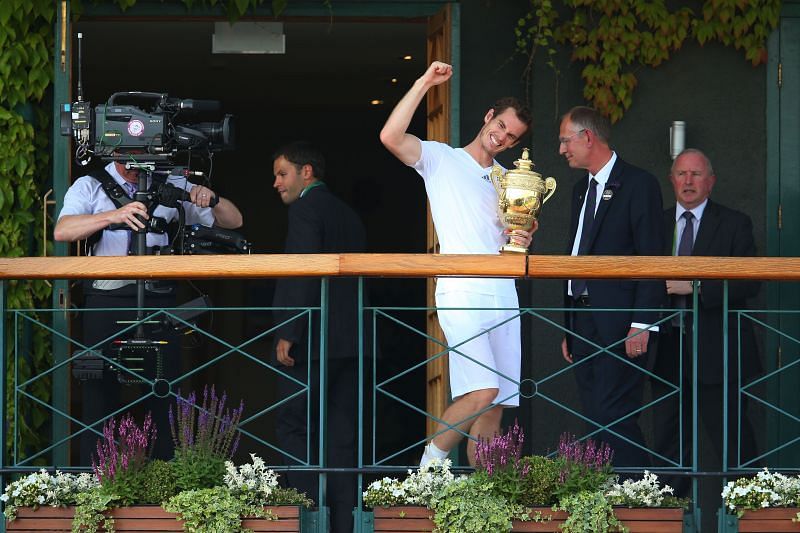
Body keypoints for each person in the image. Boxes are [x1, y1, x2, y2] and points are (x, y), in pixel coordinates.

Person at [380, 61, 536, 468]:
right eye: (500, 126)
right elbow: (390, 136)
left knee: (495, 406)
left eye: (512, 136)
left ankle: (487, 498)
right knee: (481, 391)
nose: (502, 137)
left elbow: (508, 236)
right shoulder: (441, 159)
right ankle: (428, 469)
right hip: (461, 289)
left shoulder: (510, 182)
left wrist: (521, 235)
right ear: (488, 117)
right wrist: (424, 82)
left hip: (504, 292)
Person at [54, 154, 243, 464]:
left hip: (158, 300)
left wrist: (212, 198)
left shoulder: (170, 184)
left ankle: (165, 480)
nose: (134, 167)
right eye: (127, 159)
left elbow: (233, 221)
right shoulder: (90, 185)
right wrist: (112, 216)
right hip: (107, 300)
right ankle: (96, 482)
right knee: (99, 390)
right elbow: (63, 230)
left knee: (163, 390)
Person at [651, 148, 761, 522]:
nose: (688, 182)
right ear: (671, 180)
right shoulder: (657, 223)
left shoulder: (734, 223)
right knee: (668, 441)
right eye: (681, 174)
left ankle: (747, 518)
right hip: (666, 349)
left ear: (710, 181)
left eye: (696, 175)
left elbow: (749, 283)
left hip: (720, 350)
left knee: (732, 440)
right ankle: (668, 520)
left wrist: (692, 287)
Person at [558, 106, 664, 467]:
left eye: (565, 141)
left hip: (622, 322)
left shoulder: (638, 183)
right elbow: (578, 254)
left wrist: (644, 322)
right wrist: (569, 324)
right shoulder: (579, 190)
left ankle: (642, 497)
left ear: (587, 137)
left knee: (614, 415)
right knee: (594, 415)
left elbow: (652, 256)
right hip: (583, 320)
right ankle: (610, 497)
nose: (562, 149)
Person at [271, 141, 366, 533]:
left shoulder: (306, 208)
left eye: (282, 174)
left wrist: (288, 332)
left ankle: (307, 515)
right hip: (350, 338)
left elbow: (303, 270)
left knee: (293, 424)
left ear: (306, 172)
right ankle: (344, 521)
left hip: (311, 339)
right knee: (342, 432)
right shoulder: (347, 212)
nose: (275, 183)